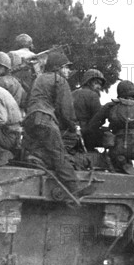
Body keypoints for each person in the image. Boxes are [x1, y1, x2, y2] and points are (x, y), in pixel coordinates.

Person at [23, 49, 91, 198]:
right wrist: (73, 128)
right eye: (66, 67)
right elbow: (66, 110)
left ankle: (36, 157)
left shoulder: (39, 79)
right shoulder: (59, 80)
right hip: (45, 119)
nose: (68, 71)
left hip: (31, 120)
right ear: (57, 68)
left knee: (47, 148)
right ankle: (74, 188)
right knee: (60, 154)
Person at [86, 80, 134, 175]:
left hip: (116, 150)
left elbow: (92, 126)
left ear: (119, 93)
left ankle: (122, 161)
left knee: (111, 143)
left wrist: (106, 131)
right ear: (133, 95)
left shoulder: (110, 107)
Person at [72, 69, 106, 149]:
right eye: (96, 83)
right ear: (89, 82)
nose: (99, 87)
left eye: (100, 84)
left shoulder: (72, 93)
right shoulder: (93, 95)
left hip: (71, 132)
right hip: (86, 134)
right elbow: (98, 118)